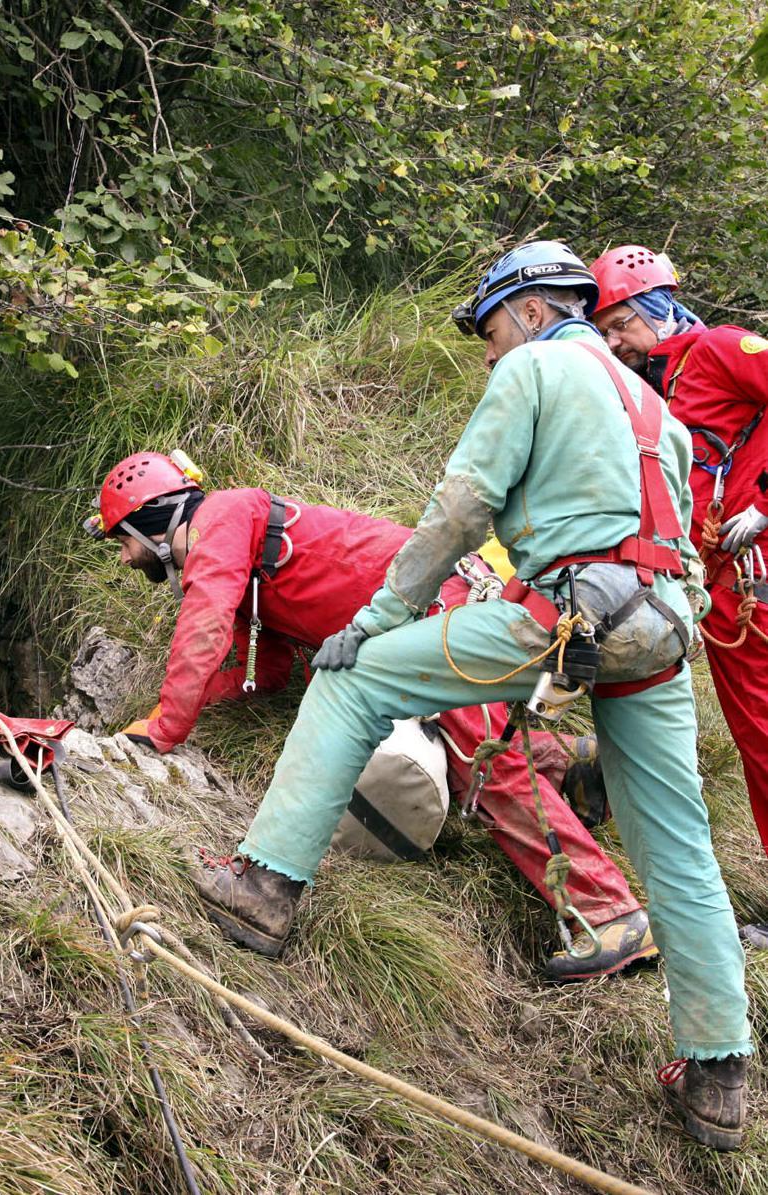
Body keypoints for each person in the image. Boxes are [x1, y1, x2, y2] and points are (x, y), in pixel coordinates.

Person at [190, 241, 752, 1149]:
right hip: (661, 627)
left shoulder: (534, 367)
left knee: (357, 678)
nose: (488, 352)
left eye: (490, 328)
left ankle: (263, 883)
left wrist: (376, 618)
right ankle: (719, 1075)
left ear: (532, 309)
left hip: (565, 612)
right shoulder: (655, 402)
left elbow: (461, 506)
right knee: (680, 844)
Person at [85, 449, 653, 981]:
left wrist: (165, 729)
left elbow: (204, 629)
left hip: (436, 610)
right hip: (433, 607)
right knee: (479, 757)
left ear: (148, 522)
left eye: (122, 540)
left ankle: (609, 915)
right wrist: (176, 710)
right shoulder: (240, 542)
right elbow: (270, 670)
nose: (125, 556)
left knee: (482, 771)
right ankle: (570, 769)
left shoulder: (223, 518)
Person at [590, 243, 768, 949]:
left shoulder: (723, 350)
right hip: (724, 599)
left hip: (756, 572)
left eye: (623, 322)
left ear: (658, 310)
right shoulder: (654, 392)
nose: (616, 341)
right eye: (606, 329)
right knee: (757, 741)